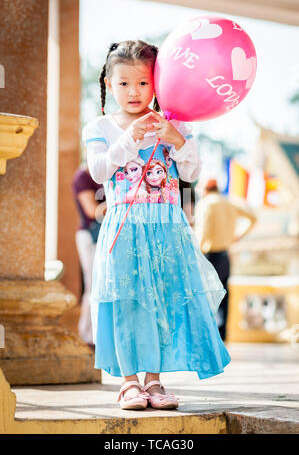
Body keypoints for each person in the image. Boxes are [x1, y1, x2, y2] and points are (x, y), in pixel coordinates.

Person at [83, 40, 230, 411]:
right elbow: (99, 172)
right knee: (128, 302)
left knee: (161, 300)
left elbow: (192, 172)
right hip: (125, 227)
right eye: (123, 84)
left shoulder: (175, 123)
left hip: (167, 226)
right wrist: (129, 140)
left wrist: (176, 139)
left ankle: (154, 381)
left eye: (144, 83)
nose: (134, 92)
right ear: (108, 83)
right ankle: (128, 382)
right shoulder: (99, 126)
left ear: (158, 83)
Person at [195, 178, 257, 341]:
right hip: (225, 255)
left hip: (209, 255)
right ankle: (222, 334)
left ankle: (207, 332)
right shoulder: (228, 202)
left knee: (206, 294)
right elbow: (252, 217)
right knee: (224, 294)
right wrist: (238, 236)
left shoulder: (206, 203)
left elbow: (204, 231)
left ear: (206, 190)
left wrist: (197, 251)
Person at [72, 165, 107, 349]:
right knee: (93, 286)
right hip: (89, 236)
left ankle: (96, 336)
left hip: (104, 236)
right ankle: (87, 336)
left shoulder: (106, 174)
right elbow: (91, 210)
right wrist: (120, 201)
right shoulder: (82, 177)